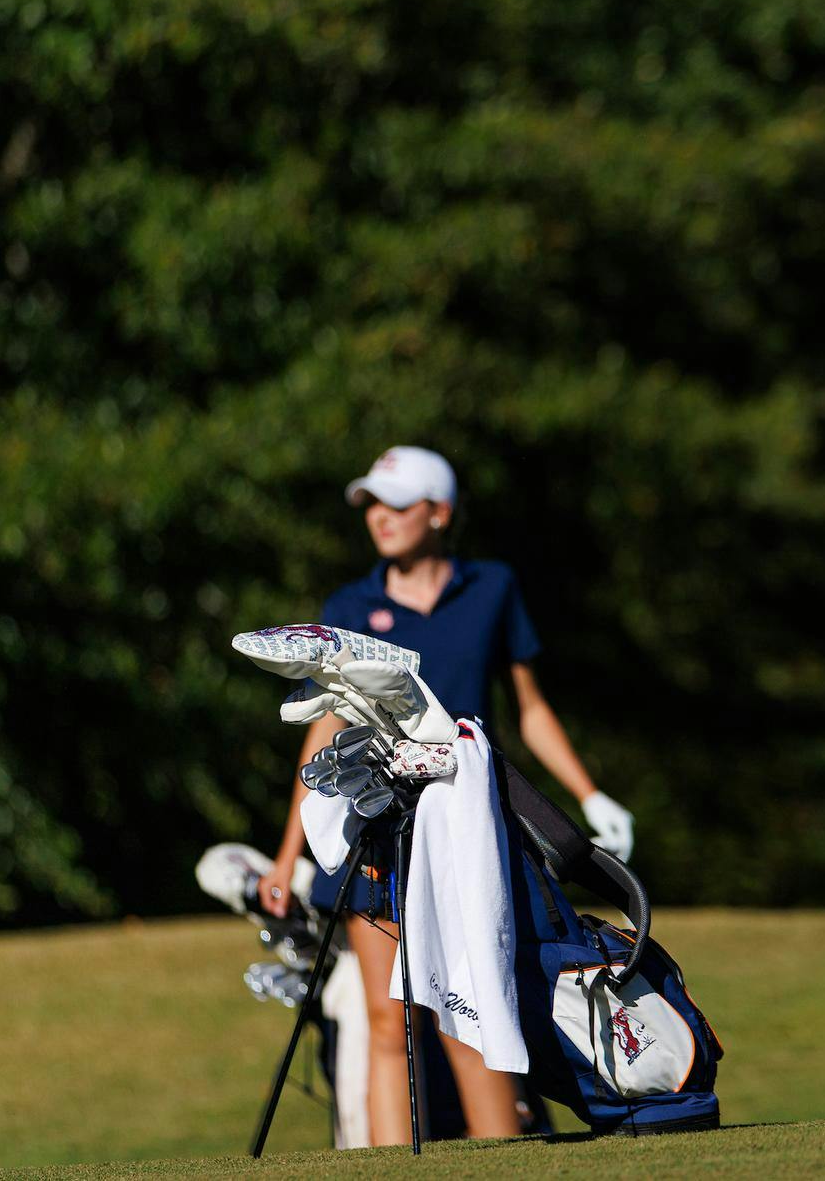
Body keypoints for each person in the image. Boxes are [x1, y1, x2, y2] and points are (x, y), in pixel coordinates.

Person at [258, 444, 636, 1145]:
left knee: (471, 1010)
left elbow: (530, 708)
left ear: (440, 513)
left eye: (396, 504)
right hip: (375, 830)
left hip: (466, 828)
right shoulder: (349, 606)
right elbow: (321, 737)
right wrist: (289, 859)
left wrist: (590, 794)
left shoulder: (491, 589)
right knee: (386, 1019)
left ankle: (496, 1158)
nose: (380, 517)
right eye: (370, 504)